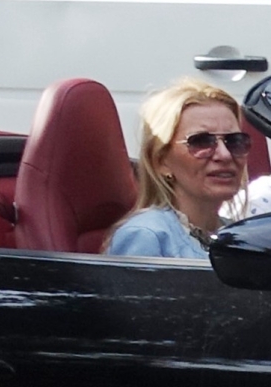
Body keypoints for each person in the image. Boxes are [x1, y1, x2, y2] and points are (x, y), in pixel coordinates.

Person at [106, 79, 249, 259]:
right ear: (161, 161)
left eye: (235, 141)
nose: (225, 155)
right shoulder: (147, 237)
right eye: (201, 142)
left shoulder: (239, 234)